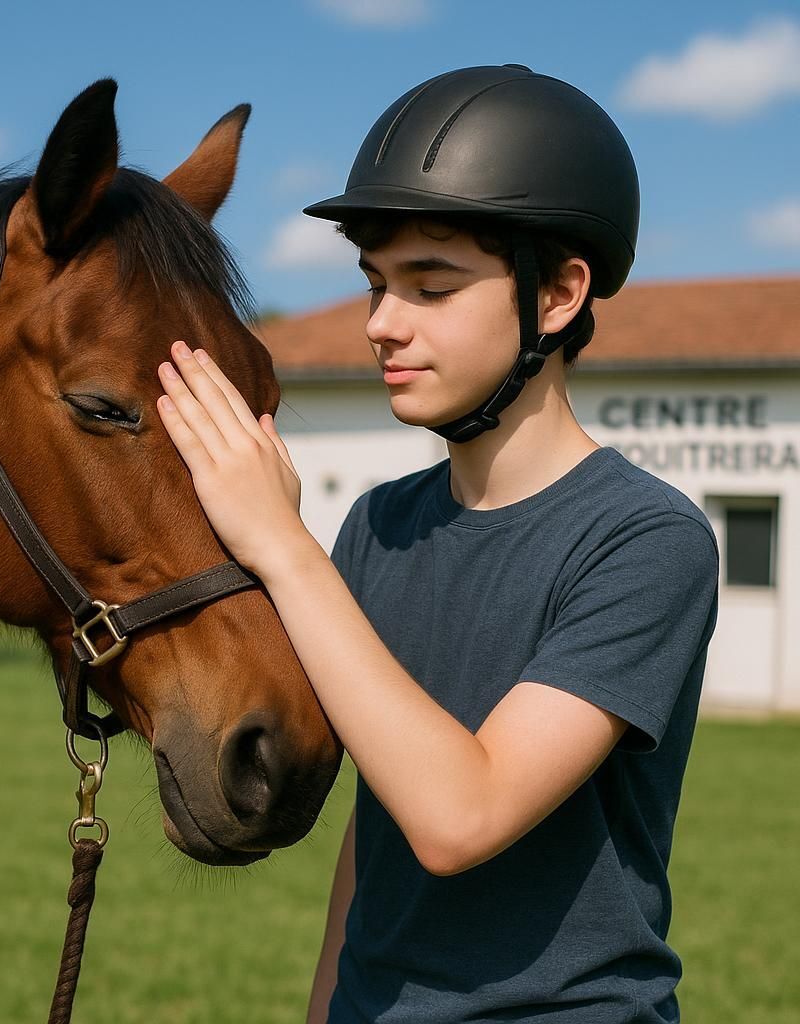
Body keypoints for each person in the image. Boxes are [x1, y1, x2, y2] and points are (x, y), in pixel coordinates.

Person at [155, 64, 719, 1024]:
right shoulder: (378, 525)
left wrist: (282, 545)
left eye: (431, 286)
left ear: (558, 294)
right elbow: (381, 822)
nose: (381, 324)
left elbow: (459, 816)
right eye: (377, 285)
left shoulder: (646, 540)